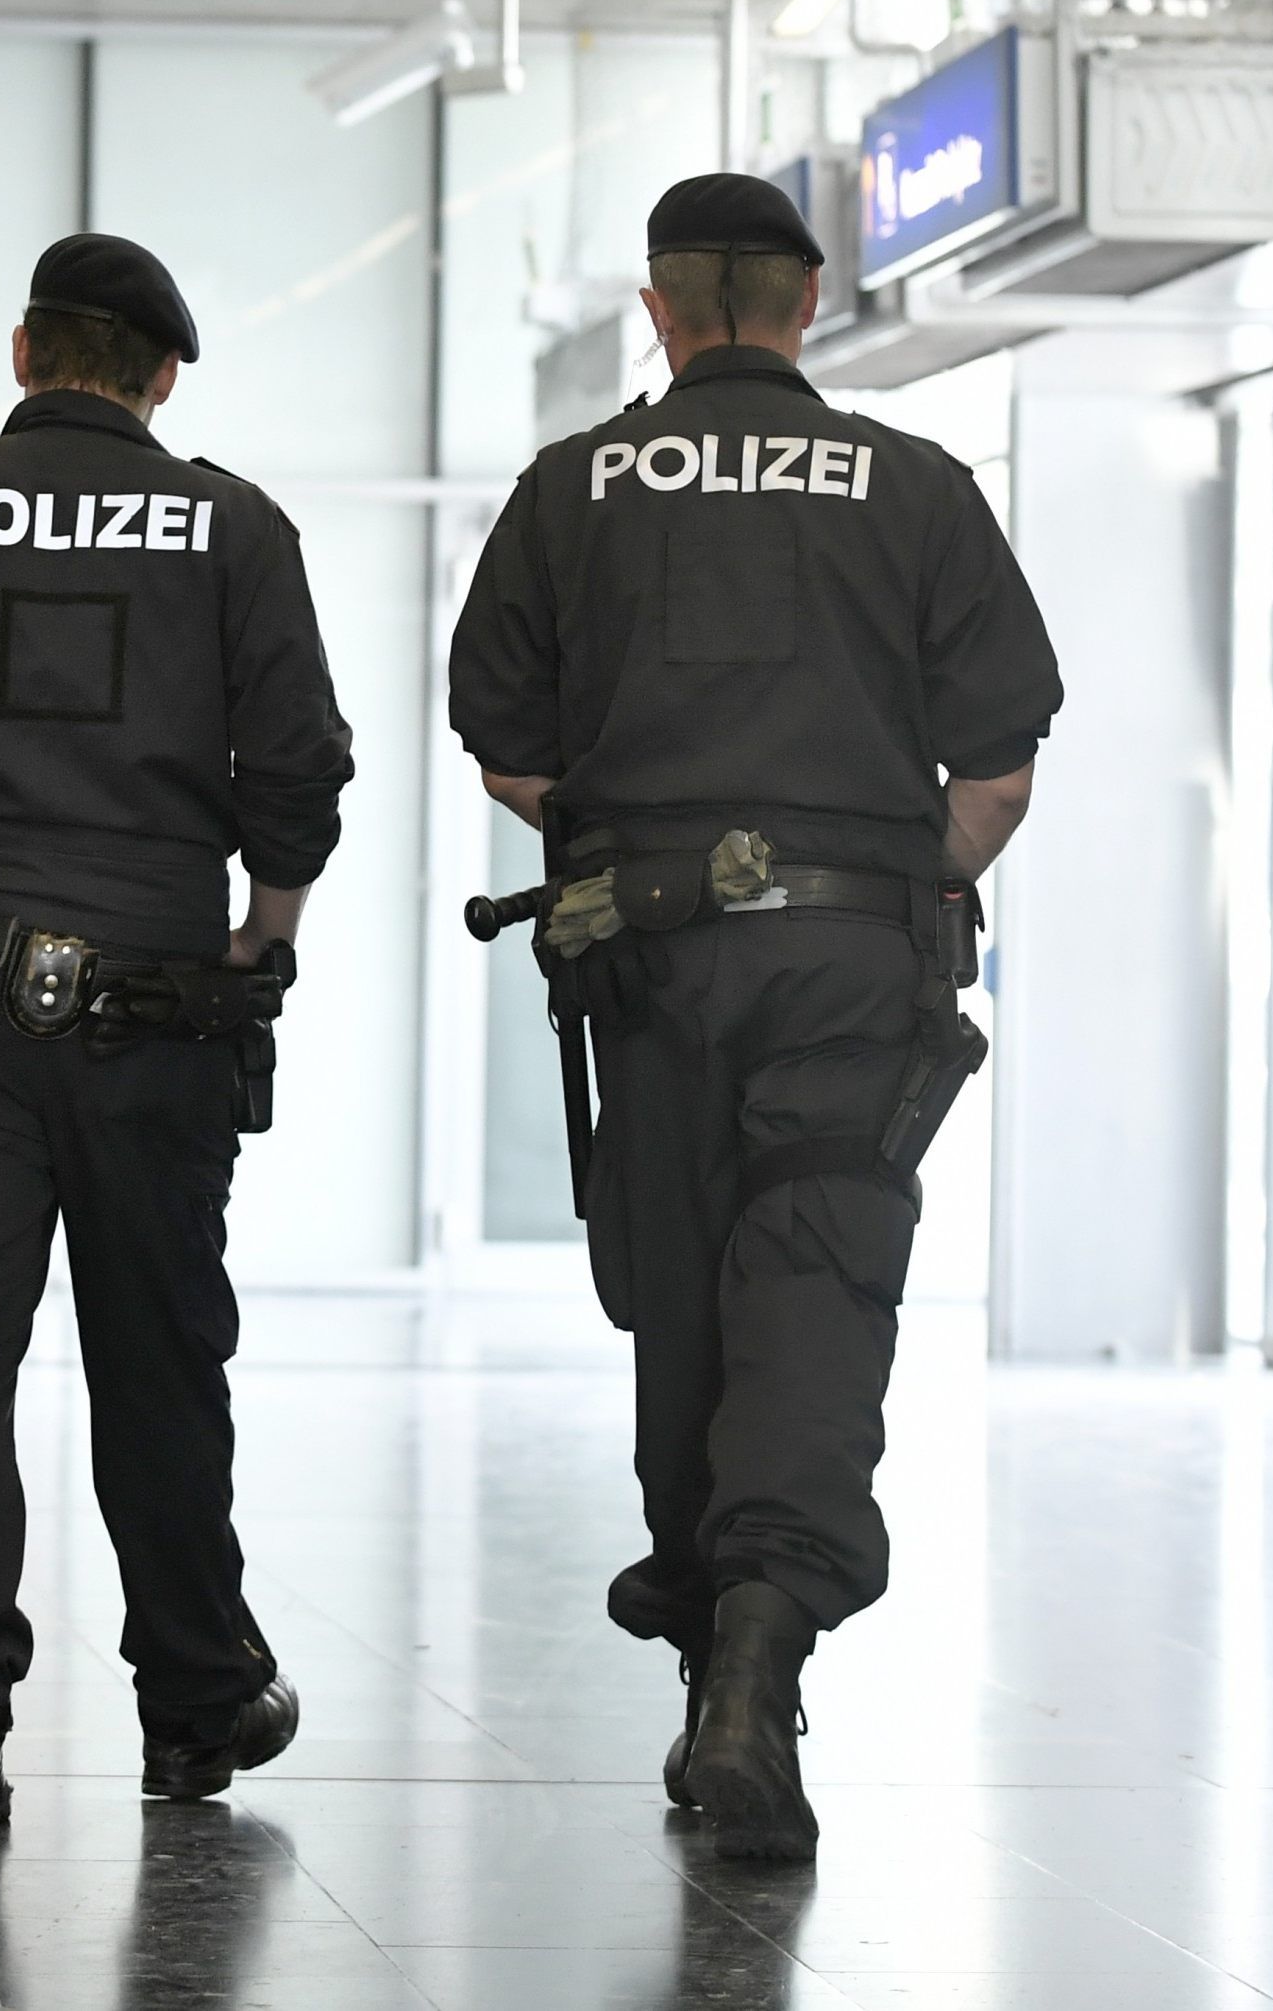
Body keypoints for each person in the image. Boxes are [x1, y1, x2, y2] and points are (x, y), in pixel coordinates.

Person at [446, 173, 1061, 1862]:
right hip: (853, 958)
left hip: (644, 954)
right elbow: (998, 765)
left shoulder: (574, 488)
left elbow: (501, 743)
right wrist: (890, 874)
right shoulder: (915, 486)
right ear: (806, 306)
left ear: (659, 310)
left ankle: (711, 1659)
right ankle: (757, 1659)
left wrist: (637, 847)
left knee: (685, 1307)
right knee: (815, 1286)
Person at [0, 232, 355, 1830]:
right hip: (158, 1014)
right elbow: (298, 776)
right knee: (157, 1358)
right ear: (160, 377)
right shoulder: (230, 525)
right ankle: (193, 1704)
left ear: (25, 354)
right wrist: (261, 938)